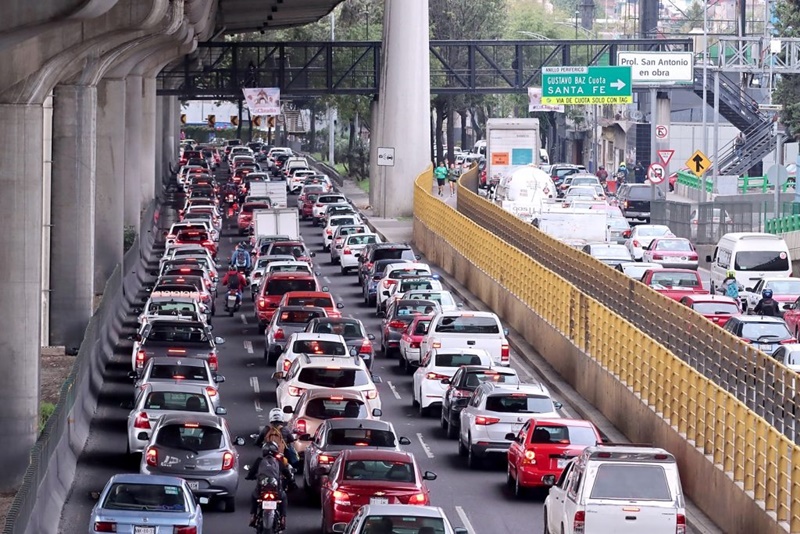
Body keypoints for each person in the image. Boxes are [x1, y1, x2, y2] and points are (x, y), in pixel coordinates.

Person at [246, 441, 292, 529]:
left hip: (261, 490)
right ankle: (283, 518)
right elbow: (287, 473)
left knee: (254, 496)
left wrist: (249, 477)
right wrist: (290, 479)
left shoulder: (259, 461)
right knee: (283, 497)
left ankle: (253, 516)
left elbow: (251, 472)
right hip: (276, 490)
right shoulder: (279, 461)